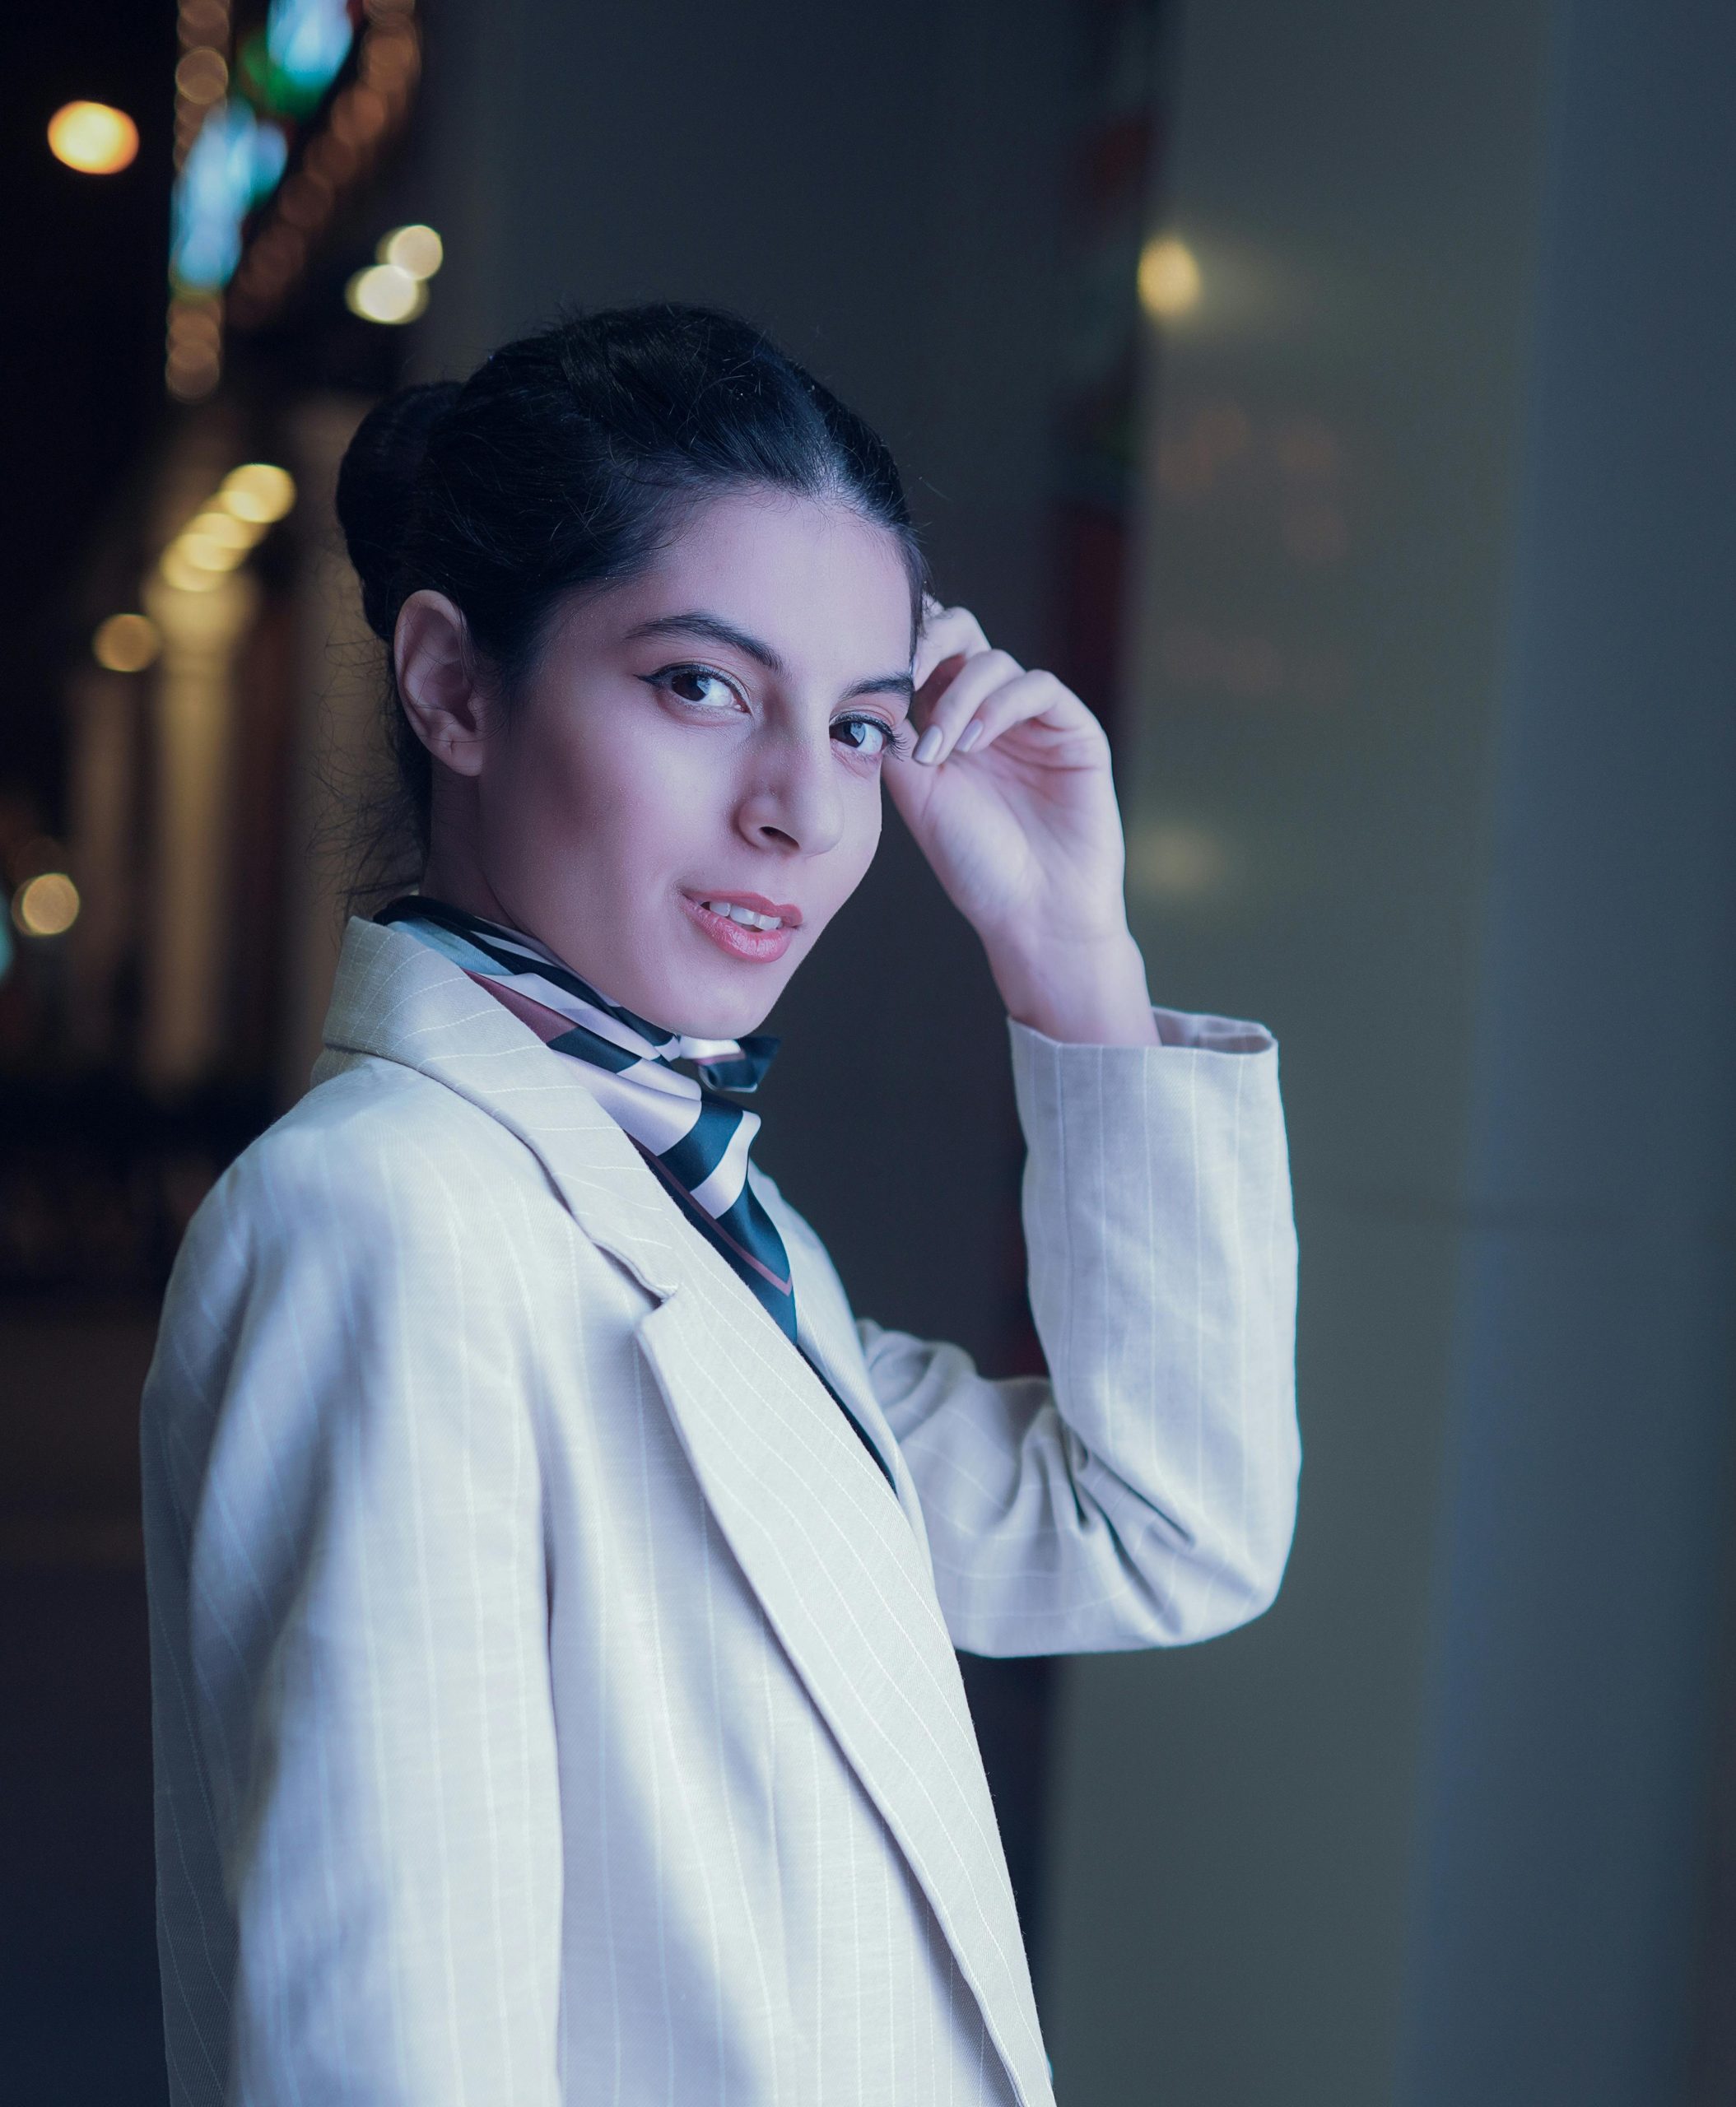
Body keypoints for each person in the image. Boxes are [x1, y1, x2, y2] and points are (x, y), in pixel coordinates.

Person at [141, 303, 1300, 2107]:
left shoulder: (694, 1221)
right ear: (450, 685)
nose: (795, 811)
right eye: (699, 685)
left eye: (855, 726)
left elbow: (1156, 1528)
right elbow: (385, 2055)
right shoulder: (388, 1221)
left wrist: (1068, 952)